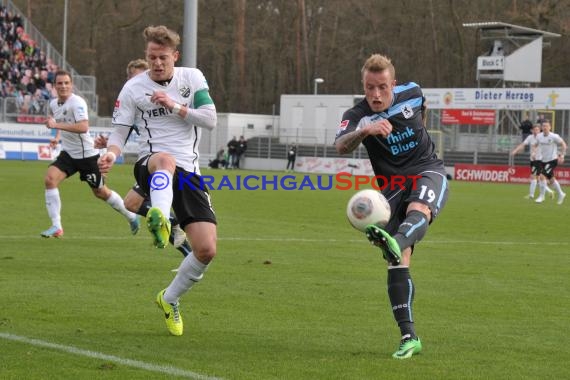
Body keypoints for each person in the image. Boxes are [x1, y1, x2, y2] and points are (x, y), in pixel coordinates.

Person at [98, 25, 218, 336]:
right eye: (152, 57)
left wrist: (175, 106)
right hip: (150, 164)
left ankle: (169, 298)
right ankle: (162, 220)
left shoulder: (192, 78)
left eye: (163, 57)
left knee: (206, 250)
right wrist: (111, 154)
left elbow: (210, 119)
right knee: (164, 159)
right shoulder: (133, 89)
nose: (157, 63)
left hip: (189, 173)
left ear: (174, 56)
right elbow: (120, 132)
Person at [334, 54, 449, 359]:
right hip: (391, 190)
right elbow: (340, 144)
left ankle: (396, 241)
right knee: (398, 262)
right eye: (369, 87)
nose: (375, 94)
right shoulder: (356, 115)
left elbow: (421, 110)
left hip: (428, 170)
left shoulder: (412, 91)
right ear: (363, 85)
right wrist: (365, 132)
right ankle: (409, 337)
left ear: (393, 84)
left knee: (419, 210)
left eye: (382, 87)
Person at [94, 59, 192, 258]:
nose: (136, 81)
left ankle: (174, 225)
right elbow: (124, 132)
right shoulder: (135, 99)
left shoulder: (165, 96)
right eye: (132, 77)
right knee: (132, 203)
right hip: (152, 162)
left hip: (171, 162)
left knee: (135, 203)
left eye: (140, 75)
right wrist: (110, 148)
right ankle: (179, 238)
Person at [40, 70, 140, 238]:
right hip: (69, 155)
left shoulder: (77, 102)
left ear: (71, 85)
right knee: (50, 180)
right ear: (54, 86)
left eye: (66, 83)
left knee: (101, 192)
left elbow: (83, 127)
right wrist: (57, 138)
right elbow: (60, 121)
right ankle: (56, 226)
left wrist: (56, 126)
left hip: (87, 156)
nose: (63, 86)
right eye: (60, 83)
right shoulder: (53, 104)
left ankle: (131, 216)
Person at [510, 123, 555, 200]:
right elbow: (523, 144)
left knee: (535, 177)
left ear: (539, 130)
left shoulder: (542, 137)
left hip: (540, 160)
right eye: (534, 130)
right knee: (537, 178)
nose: (535, 131)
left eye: (537, 129)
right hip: (533, 160)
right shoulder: (530, 137)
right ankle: (548, 192)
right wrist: (515, 150)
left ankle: (532, 195)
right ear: (532, 130)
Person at [532, 120, 567, 204]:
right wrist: (533, 152)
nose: (545, 127)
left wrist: (562, 155)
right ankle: (561, 194)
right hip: (543, 160)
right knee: (551, 180)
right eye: (543, 126)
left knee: (542, 176)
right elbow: (535, 145)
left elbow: (564, 144)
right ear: (541, 128)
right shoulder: (539, 136)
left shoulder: (554, 136)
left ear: (550, 127)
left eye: (546, 126)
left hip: (552, 160)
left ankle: (542, 196)